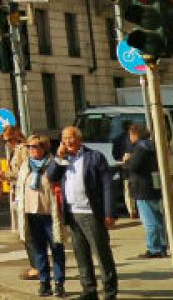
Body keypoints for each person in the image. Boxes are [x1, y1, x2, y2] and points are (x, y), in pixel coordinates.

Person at [46, 125, 117, 300]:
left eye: (71, 137)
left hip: (91, 213)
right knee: (81, 254)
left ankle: (109, 292)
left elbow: (108, 185)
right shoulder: (63, 160)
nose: (68, 141)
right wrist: (59, 157)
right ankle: (89, 290)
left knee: (101, 254)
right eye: (64, 138)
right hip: (72, 214)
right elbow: (51, 177)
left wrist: (109, 212)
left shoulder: (94, 157)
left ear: (79, 139)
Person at [20, 134, 67, 298]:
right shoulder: (26, 165)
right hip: (32, 214)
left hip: (50, 214)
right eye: (29, 147)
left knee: (57, 249)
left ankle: (59, 283)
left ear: (44, 148)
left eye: (34, 147)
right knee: (39, 250)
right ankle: (44, 282)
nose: (31, 150)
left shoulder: (53, 164)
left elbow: (60, 184)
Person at [1, 125, 40, 281]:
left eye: (9, 139)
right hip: (20, 193)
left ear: (16, 136)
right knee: (27, 232)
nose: (8, 143)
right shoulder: (16, 150)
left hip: (25, 194)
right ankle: (36, 265)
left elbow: (24, 171)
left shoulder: (23, 149)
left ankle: (36, 267)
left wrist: (7, 175)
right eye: (5, 141)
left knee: (29, 232)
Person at [123, 122, 167, 258]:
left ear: (135, 134)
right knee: (159, 219)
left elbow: (134, 167)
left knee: (149, 221)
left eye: (130, 134)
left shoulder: (139, 148)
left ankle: (154, 249)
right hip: (155, 185)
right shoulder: (152, 145)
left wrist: (127, 161)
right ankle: (162, 246)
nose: (129, 137)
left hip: (142, 188)